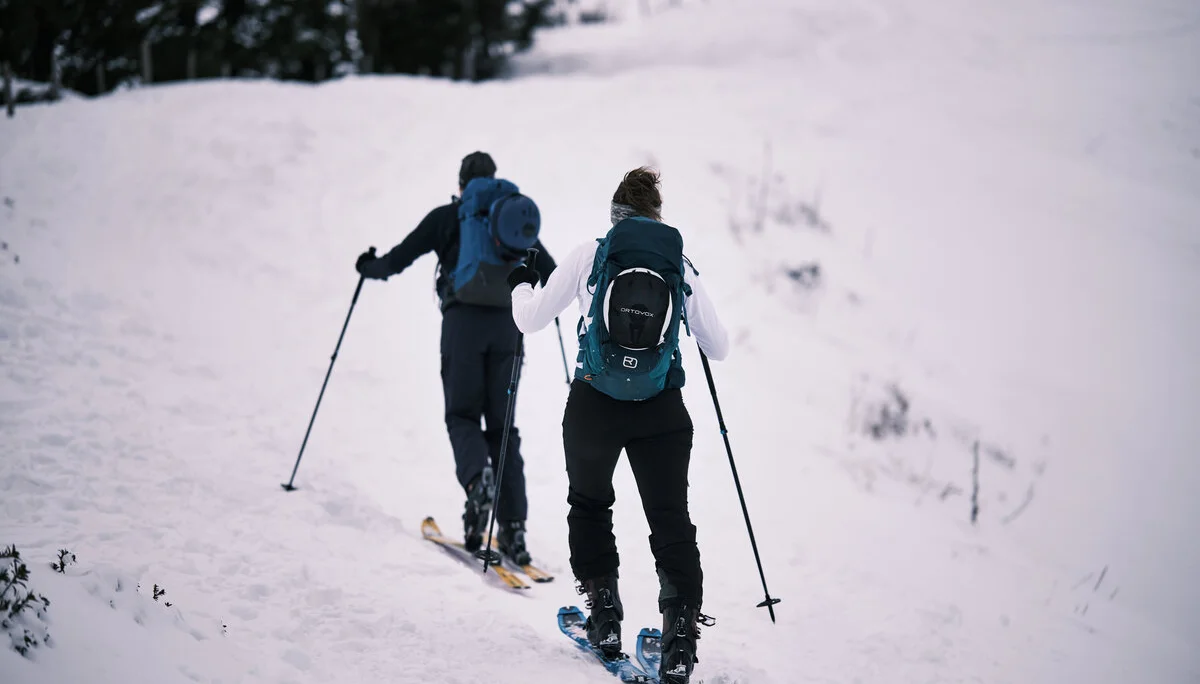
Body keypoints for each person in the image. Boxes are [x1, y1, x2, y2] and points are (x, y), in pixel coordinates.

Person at [506, 167, 729, 684]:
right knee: (671, 521)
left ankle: (604, 620)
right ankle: (678, 645)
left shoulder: (590, 254)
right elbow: (719, 346)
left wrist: (521, 283)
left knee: (589, 505)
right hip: (662, 411)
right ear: (656, 216)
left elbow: (531, 320)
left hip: (594, 404)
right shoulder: (679, 265)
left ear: (615, 215)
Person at [354, 151, 557, 566]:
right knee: (503, 429)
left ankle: (476, 479)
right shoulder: (511, 217)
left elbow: (398, 259)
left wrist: (368, 266)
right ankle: (514, 530)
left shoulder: (449, 217)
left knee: (462, 416)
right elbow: (551, 272)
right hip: (509, 328)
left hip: (462, 326)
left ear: (462, 184)